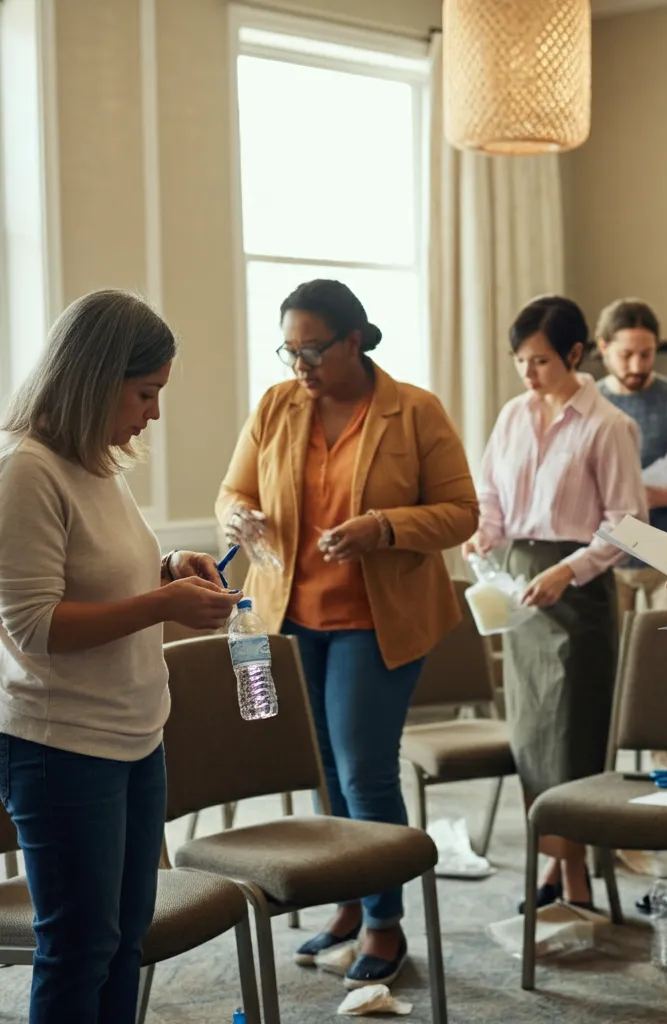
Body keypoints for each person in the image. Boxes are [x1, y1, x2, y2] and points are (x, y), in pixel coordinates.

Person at [216, 279, 478, 989]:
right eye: (288, 350)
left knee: (364, 769)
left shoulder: (414, 410)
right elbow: (232, 491)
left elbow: (461, 513)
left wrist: (385, 526)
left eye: (311, 349)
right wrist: (238, 518)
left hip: (377, 621)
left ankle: (385, 921)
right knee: (324, 769)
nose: (298, 364)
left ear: (354, 340)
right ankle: (347, 898)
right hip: (289, 616)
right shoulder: (275, 406)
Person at [0, 290, 242, 1024]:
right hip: (62, 746)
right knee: (79, 947)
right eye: (146, 392)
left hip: (135, 736)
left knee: (122, 941)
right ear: (96, 377)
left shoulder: (98, 463)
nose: (155, 413)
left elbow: (97, 569)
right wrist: (164, 606)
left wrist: (167, 568)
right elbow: (35, 628)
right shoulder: (26, 471)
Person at [463, 295, 647, 912]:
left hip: (576, 591)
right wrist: (484, 532)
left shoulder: (608, 425)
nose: (528, 373)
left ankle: (573, 876)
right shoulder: (513, 415)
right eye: (520, 360)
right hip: (518, 582)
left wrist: (568, 571)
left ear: (574, 354)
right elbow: (489, 492)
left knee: (573, 733)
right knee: (532, 735)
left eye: (540, 360)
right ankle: (558, 870)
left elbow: (626, 525)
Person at [595, 298, 667, 614]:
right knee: (613, 656)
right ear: (603, 348)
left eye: (646, 354)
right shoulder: (589, 403)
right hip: (605, 553)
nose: (637, 365)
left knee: (664, 652)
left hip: (666, 553)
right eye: (626, 355)